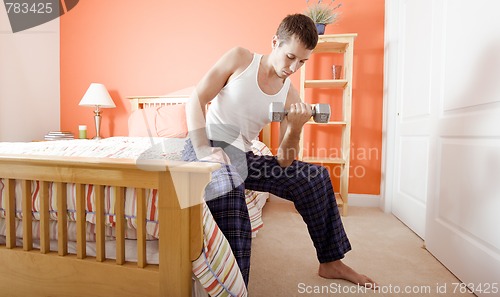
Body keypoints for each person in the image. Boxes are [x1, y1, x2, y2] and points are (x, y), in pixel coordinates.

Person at [183, 13, 376, 289]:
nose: (294, 67)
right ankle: (234, 289)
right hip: (209, 144)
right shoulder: (241, 59)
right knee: (230, 189)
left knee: (315, 178)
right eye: (290, 57)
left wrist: (295, 127)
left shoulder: (289, 94)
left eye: (302, 61)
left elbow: (285, 161)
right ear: (275, 42)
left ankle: (331, 262)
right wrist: (202, 148)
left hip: (244, 157)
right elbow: (197, 97)